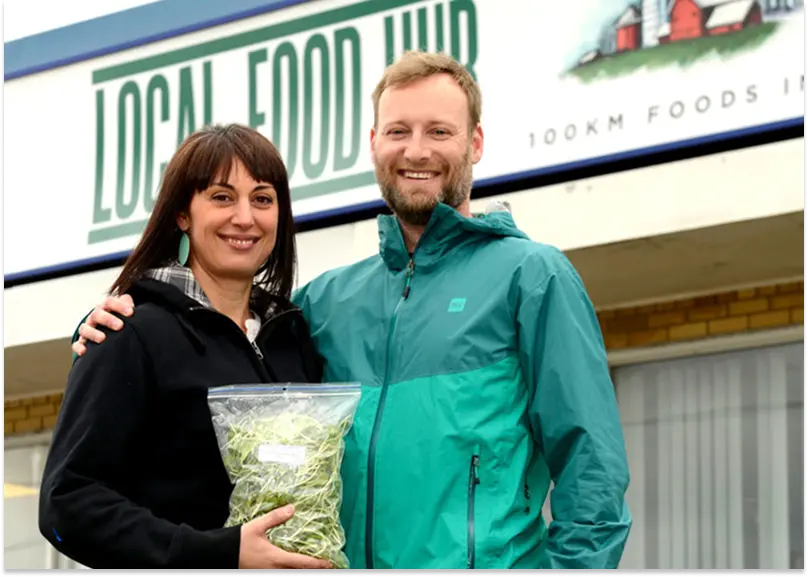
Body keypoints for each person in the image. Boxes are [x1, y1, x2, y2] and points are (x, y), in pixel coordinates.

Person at [73, 51, 632, 570]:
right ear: (373, 143)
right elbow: (221, 330)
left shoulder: (531, 278)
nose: (416, 150)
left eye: (440, 131)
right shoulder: (322, 303)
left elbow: (593, 467)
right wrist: (111, 324)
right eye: (398, 131)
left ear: (476, 142)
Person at [40, 124, 332, 571]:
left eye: (262, 198)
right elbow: (68, 501)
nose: (245, 217)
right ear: (182, 214)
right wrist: (217, 552)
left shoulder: (292, 336)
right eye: (221, 197)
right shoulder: (129, 332)